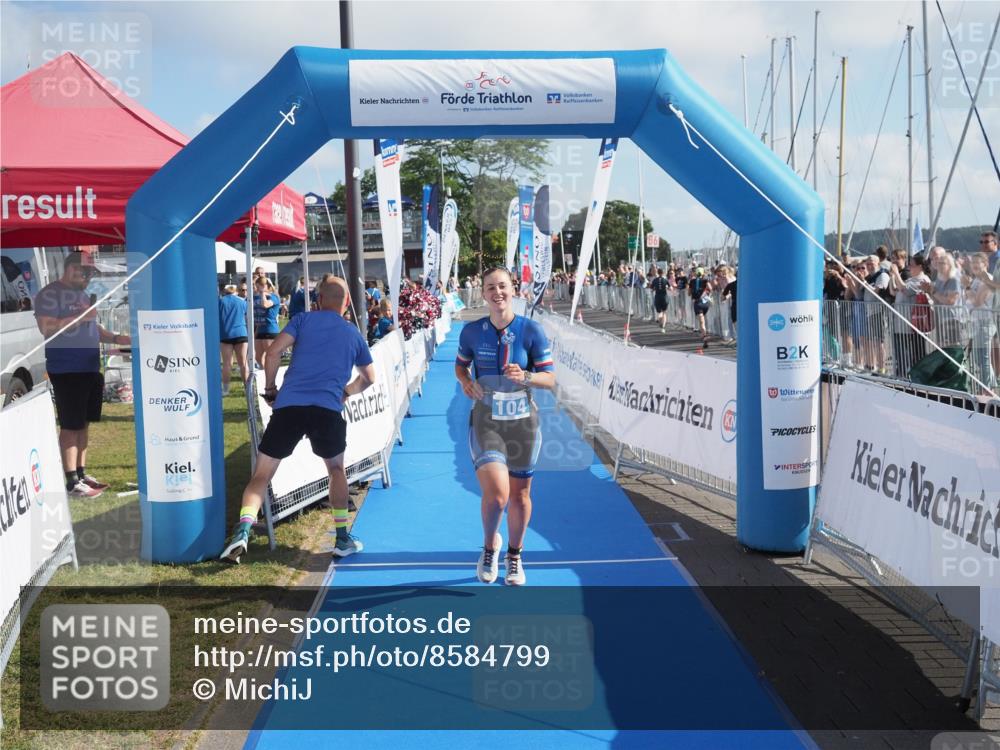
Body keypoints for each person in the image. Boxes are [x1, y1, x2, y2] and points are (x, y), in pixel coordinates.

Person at [221, 275, 376, 563]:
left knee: (261, 474)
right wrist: (346, 392)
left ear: (318, 301)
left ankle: (242, 532)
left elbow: (272, 353)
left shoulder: (303, 320)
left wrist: (270, 389)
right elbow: (369, 378)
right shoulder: (352, 333)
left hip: (289, 406)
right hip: (327, 410)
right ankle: (342, 538)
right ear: (346, 303)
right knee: (336, 471)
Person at [455, 267, 555, 586]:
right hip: (487, 421)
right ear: (483, 294)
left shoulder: (531, 330)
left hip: (524, 423)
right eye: (490, 288)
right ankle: (490, 546)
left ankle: (514, 554)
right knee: (498, 496)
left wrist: (525, 376)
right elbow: (460, 367)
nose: (497, 292)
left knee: (520, 496)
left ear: (513, 289)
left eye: (503, 286)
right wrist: (466, 382)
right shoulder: (471, 332)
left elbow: (550, 379)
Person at [34, 253, 131, 498]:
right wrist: (79, 317)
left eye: (92, 274)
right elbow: (46, 327)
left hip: (89, 367)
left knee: (84, 423)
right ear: (71, 269)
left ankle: (81, 473)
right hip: (67, 368)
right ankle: (70, 482)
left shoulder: (82, 295)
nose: (89, 278)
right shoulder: (50, 294)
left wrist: (117, 338)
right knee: (71, 424)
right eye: (85, 272)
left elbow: (93, 328)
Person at [218, 283, 249, 395]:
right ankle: (247, 389)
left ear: (224, 291)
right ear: (236, 291)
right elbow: (247, 317)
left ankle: (225, 390)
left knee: (227, 363)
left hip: (225, 334)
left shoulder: (220, 302)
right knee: (243, 363)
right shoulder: (242, 301)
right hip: (240, 333)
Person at [252, 277, 280, 366]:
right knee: (258, 357)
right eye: (256, 286)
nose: (256, 288)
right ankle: (265, 374)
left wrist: (263, 292)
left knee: (270, 356)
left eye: (258, 286)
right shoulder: (256, 297)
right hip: (260, 330)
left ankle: (272, 376)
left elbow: (265, 305)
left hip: (270, 329)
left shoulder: (273, 297)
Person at [689, 267, 712, 345]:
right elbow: (710, 288)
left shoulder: (692, 281)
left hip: (698, 302)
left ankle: (704, 335)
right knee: (705, 318)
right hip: (705, 302)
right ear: (703, 274)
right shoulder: (705, 281)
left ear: (695, 273)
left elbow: (689, 293)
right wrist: (706, 294)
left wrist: (694, 292)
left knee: (702, 321)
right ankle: (705, 333)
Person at [650, 267, 669, 332]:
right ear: (663, 273)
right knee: (664, 312)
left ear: (658, 273)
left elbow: (651, 289)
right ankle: (663, 327)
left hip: (657, 297)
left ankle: (660, 319)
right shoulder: (665, 280)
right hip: (664, 297)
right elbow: (670, 287)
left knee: (659, 312)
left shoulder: (655, 280)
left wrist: (655, 289)